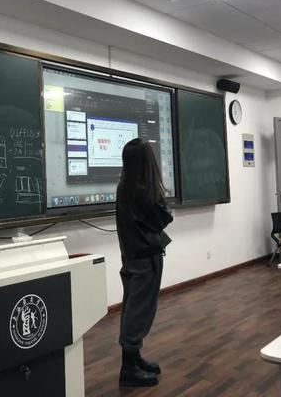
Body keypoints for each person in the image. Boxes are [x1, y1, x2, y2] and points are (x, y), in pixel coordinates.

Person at [116, 138, 173, 387]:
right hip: (144, 260)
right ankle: (129, 368)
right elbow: (164, 217)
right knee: (139, 311)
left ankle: (134, 358)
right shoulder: (142, 191)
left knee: (133, 308)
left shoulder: (125, 186)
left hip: (132, 257)